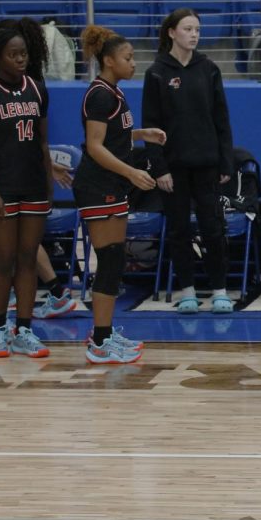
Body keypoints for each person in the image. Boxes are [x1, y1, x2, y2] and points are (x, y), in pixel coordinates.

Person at [73, 24, 164, 363]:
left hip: (111, 185)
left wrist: (142, 134)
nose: (133, 63)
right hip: (98, 186)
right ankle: (99, 341)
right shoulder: (99, 94)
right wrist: (131, 171)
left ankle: (105, 333)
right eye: (128, 58)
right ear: (109, 61)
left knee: (114, 261)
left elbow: (114, 136)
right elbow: (95, 147)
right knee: (109, 260)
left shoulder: (113, 92)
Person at [141, 8, 235, 314]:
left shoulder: (208, 68)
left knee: (212, 227)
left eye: (197, 29)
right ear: (171, 32)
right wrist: (160, 168)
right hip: (174, 168)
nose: (194, 34)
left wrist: (225, 162)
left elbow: (221, 119)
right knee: (179, 229)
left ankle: (220, 289)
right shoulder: (156, 72)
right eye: (188, 29)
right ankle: (187, 290)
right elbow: (150, 124)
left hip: (206, 163)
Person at [0, 19, 52, 358]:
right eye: (13, 54)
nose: (20, 59)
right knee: (2, 257)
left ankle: (25, 329)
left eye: (23, 53)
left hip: (32, 184)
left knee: (26, 258)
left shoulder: (36, 88)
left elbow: (43, 142)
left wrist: (49, 184)